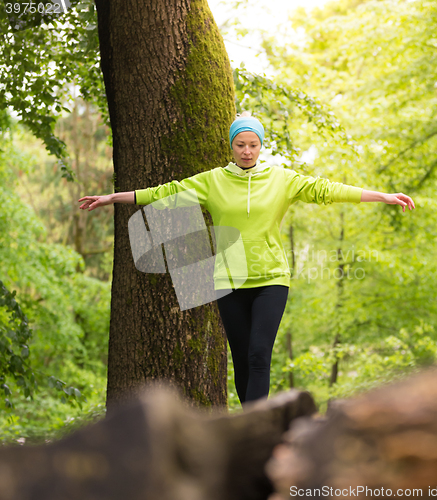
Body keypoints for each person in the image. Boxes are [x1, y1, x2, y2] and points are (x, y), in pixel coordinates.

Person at [79, 111, 415, 405]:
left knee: (258, 355)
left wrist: (383, 196)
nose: (247, 151)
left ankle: (258, 427)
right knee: (241, 360)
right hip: (228, 280)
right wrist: (113, 197)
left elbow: (327, 190)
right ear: (232, 146)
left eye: (253, 144)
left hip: (271, 279)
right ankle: (250, 425)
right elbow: (166, 192)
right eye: (241, 144)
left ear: (261, 146)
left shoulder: (282, 179)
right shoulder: (212, 181)